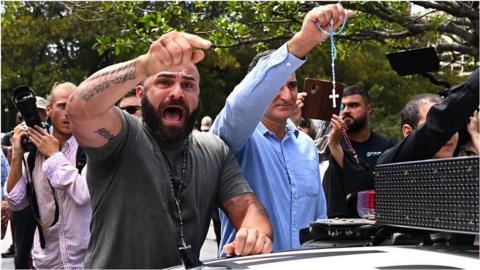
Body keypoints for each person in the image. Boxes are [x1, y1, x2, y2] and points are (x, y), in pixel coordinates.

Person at [66, 32, 273, 268]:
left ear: (197, 96)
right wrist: (144, 65)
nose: (176, 93)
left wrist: (254, 233)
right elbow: (80, 109)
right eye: (164, 82)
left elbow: (248, 208)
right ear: (141, 95)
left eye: (188, 85)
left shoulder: (215, 150)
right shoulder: (121, 136)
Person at [211, 4, 353, 253]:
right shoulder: (236, 137)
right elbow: (239, 106)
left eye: (292, 86)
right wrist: (303, 42)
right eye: (276, 85)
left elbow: (318, 218)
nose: (286, 95)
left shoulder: (307, 146)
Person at [6, 82, 91, 269]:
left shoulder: (91, 147)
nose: (69, 112)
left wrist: (53, 155)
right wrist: (17, 155)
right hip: (46, 261)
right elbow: (16, 202)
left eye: (74, 106)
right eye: (62, 106)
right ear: (49, 110)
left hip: (84, 262)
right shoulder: (33, 152)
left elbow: (83, 195)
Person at [322, 85, 396, 218]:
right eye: (342, 107)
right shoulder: (332, 146)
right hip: (344, 225)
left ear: (368, 109)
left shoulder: (387, 145)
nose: (346, 111)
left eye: (353, 105)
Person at [377, 69, 479, 164]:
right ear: (408, 132)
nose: (449, 134)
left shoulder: (465, 162)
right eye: (432, 122)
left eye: (454, 126)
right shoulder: (390, 160)